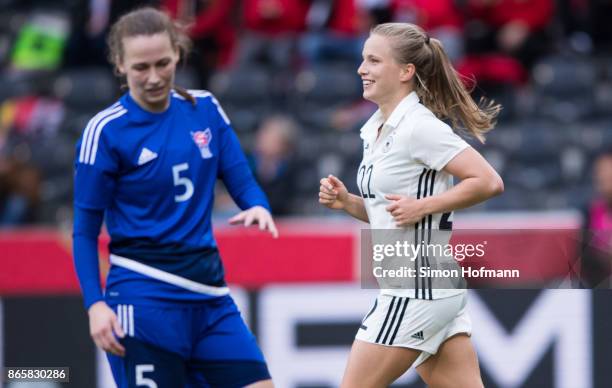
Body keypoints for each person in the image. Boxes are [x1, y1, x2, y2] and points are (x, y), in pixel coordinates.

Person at [72, 7, 277, 388]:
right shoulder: (105, 131)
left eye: (163, 63)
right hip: (144, 302)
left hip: (211, 299)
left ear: (179, 54)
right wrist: (95, 305)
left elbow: (242, 181)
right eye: (140, 67)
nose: (153, 77)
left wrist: (258, 206)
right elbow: (84, 232)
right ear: (120, 64)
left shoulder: (205, 109)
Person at [318, 23, 504, 387]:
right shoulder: (375, 129)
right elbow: (392, 213)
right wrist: (347, 203)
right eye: (362, 60)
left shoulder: (418, 127)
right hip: (432, 285)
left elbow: (488, 181)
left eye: (373, 60)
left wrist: (424, 206)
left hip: (415, 285)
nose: (361, 69)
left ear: (406, 72)